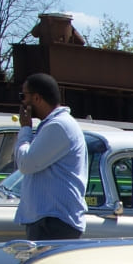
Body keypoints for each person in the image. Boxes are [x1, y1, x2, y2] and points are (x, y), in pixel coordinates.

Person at [14, 73, 87, 239]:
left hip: (54, 221)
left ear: (37, 98)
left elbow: (26, 164)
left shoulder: (58, 126)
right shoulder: (51, 125)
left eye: (23, 96)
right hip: (48, 219)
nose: (22, 102)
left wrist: (25, 129)